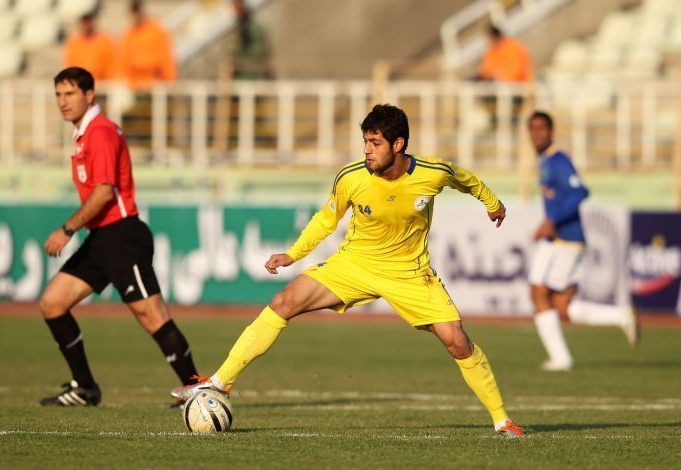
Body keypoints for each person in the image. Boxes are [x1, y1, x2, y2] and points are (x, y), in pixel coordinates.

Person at [172, 104, 525, 438]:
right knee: (284, 302)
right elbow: (326, 219)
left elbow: (467, 180)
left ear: (398, 144)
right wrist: (293, 254)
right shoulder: (352, 177)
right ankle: (219, 382)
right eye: (365, 142)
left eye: (375, 143)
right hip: (355, 263)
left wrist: (493, 204)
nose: (367, 150)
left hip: (409, 273)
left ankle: (502, 420)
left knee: (457, 341)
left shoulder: (432, 173)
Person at [39, 67, 198, 406]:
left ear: (89, 95)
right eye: (58, 95)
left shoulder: (100, 132)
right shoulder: (84, 134)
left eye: (70, 94)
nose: (63, 101)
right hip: (101, 238)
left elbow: (104, 192)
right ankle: (85, 388)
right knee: (53, 303)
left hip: (123, 236)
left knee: (152, 316)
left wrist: (67, 229)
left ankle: (197, 389)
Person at [527, 111, 639, 372]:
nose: (536, 134)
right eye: (532, 128)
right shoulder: (545, 161)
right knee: (560, 305)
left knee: (541, 294)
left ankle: (561, 358)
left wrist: (551, 219)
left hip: (567, 239)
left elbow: (580, 191)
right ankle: (621, 316)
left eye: (541, 128)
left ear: (551, 132)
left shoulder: (558, 160)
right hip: (557, 239)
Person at [118, 0, 177, 90]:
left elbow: (165, 60)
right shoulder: (128, 35)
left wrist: (168, 82)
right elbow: (123, 63)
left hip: (154, 85)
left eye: (137, 11)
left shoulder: (156, 31)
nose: (136, 15)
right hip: (134, 86)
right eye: (134, 12)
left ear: (142, 11)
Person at [63, 12, 117, 82]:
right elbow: (69, 66)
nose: (87, 26)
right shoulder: (73, 43)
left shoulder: (105, 40)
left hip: (101, 81)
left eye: (88, 22)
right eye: (84, 22)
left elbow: (112, 64)